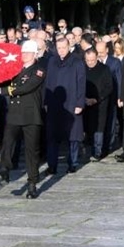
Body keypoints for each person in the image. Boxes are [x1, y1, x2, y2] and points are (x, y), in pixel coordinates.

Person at [0, 40, 46, 198]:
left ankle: (32, 183)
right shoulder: (15, 69)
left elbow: (26, 87)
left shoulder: (39, 70)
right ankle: (4, 170)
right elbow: (5, 79)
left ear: (35, 54)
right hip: (15, 113)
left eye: (28, 53)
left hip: (30, 115)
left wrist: (2, 91)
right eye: (23, 52)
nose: (24, 55)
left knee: (31, 151)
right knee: (7, 142)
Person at [44, 38, 86, 174]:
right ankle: (52, 165)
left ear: (69, 46)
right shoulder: (52, 61)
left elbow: (81, 83)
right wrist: (46, 101)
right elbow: (48, 82)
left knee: (73, 136)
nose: (61, 50)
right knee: (52, 136)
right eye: (59, 47)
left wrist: (80, 103)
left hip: (72, 102)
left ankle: (72, 163)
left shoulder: (77, 61)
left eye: (63, 47)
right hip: (54, 104)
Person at [83, 48, 114, 161]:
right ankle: (87, 150)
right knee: (87, 127)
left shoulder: (104, 69)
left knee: (99, 128)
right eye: (88, 60)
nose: (90, 62)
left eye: (92, 60)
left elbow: (108, 87)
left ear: (97, 58)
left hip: (100, 103)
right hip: (85, 103)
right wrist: (84, 98)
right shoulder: (82, 68)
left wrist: (96, 99)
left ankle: (98, 151)